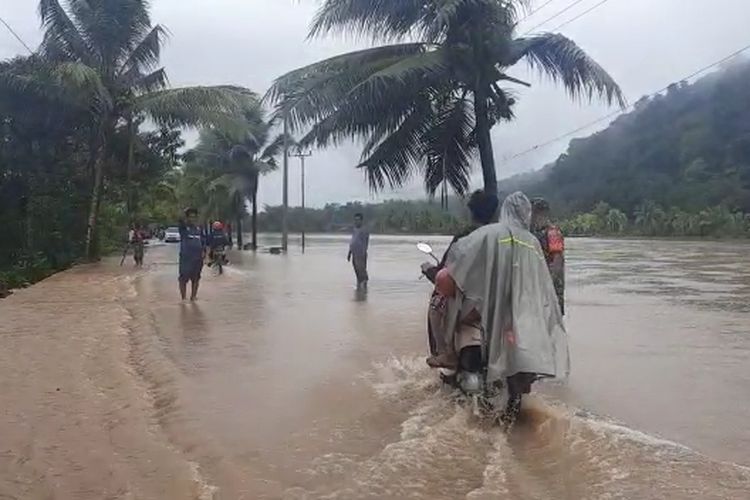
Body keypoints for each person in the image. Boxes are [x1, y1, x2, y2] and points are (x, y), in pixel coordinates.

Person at [427, 192, 570, 390]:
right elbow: (549, 269)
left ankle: (447, 354)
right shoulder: (531, 241)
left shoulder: (484, 235)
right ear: (528, 214)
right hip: (521, 309)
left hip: (481, 309)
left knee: (438, 303)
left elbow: (450, 274)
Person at [423, 190, 498, 367]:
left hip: (467, 302)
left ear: (471, 211)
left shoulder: (464, 236)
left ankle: (444, 353)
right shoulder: (499, 237)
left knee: (435, 303)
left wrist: (429, 270)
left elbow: (444, 270)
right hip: (494, 300)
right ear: (495, 213)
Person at [531, 198, 566, 315]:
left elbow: (557, 262)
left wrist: (547, 287)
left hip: (551, 292)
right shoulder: (536, 233)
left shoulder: (553, 233)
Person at [178, 208, 206, 301]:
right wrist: (184, 212)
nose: (192, 219)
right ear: (187, 218)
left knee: (196, 278)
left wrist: (204, 252)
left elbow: (203, 241)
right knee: (183, 278)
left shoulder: (199, 229)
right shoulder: (184, 228)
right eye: (190, 217)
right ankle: (183, 299)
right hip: (186, 257)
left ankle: (193, 297)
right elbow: (180, 219)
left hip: (198, 258)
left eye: (194, 217)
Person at [347, 213, 369, 288]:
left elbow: (366, 242)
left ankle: (364, 288)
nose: (356, 222)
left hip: (361, 254)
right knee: (357, 271)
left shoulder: (364, 230)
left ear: (361, 221)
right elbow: (352, 241)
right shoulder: (354, 229)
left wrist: (363, 253)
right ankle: (359, 289)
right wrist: (349, 253)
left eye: (358, 220)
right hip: (354, 254)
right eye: (355, 220)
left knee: (362, 271)